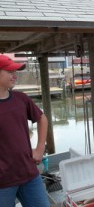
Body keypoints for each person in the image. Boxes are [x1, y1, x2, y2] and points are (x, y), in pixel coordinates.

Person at [0, 54, 50, 207]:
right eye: (10, 72)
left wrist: (40, 148)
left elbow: (42, 119)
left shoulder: (21, 99)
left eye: (15, 72)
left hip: (29, 174)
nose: (15, 75)